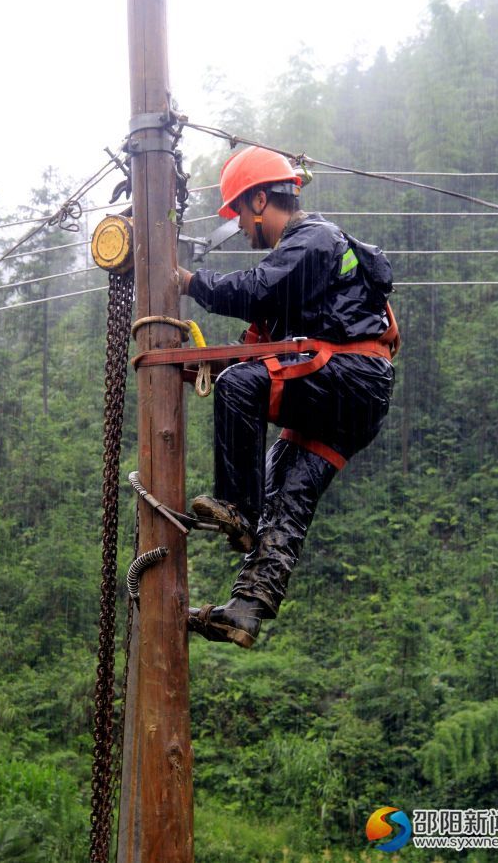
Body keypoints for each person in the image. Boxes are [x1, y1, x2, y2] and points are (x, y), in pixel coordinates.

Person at [177, 145, 397, 649]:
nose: (245, 230)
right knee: (284, 493)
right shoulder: (307, 264)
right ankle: (246, 610)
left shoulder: (312, 238)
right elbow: (272, 343)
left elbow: (254, 291)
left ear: (259, 201)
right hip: (354, 396)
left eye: (241, 215)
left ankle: (236, 507)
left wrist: (189, 283)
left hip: (349, 378)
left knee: (240, 386)